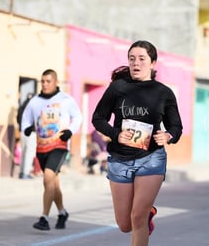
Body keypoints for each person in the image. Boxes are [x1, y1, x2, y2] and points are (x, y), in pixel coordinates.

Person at [92, 40, 183, 246]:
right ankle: (147, 213)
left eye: (142, 59)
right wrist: (116, 134)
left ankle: (143, 214)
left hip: (151, 159)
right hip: (119, 160)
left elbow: (176, 127)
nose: (136, 63)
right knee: (125, 224)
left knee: (137, 218)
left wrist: (168, 136)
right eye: (132, 58)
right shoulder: (118, 88)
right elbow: (98, 118)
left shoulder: (164, 92)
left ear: (153, 63)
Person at [21, 69, 82, 231]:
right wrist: (27, 128)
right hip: (41, 147)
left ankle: (44, 218)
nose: (45, 84)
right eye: (43, 81)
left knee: (47, 177)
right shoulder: (35, 101)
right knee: (52, 182)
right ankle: (62, 212)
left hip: (59, 145)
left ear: (55, 82)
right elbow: (26, 118)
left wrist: (70, 130)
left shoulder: (65, 100)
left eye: (48, 81)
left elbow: (78, 117)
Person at [17, 93, 37, 179]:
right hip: (30, 132)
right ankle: (26, 173)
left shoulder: (22, 107)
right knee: (29, 153)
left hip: (22, 132)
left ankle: (21, 172)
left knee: (23, 153)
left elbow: (18, 118)